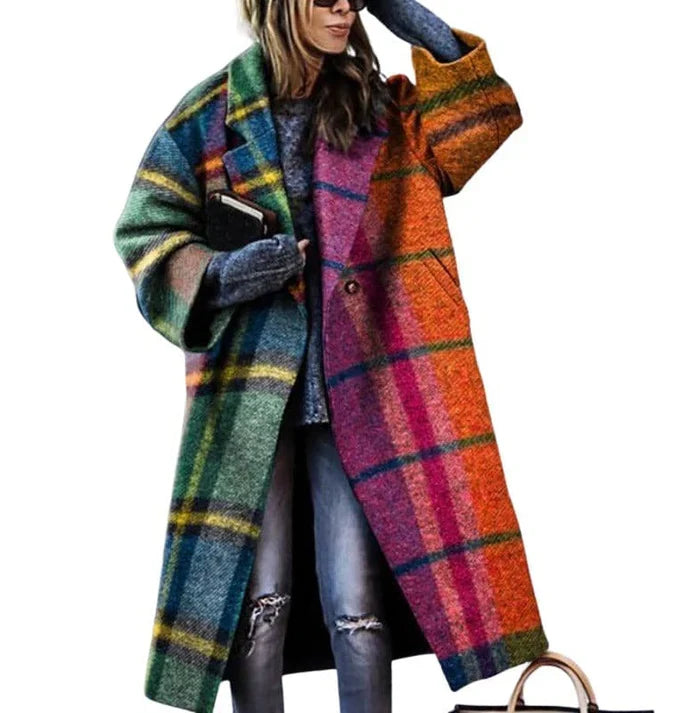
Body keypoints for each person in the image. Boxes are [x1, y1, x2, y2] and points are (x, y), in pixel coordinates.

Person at [206, 4, 473, 712]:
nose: (343, 5)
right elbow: (147, 237)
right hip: (252, 394)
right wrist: (237, 271)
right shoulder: (210, 116)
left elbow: (475, 119)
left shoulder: (380, 113)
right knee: (259, 607)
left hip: (353, 394)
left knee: (359, 607)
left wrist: (402, 12)